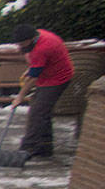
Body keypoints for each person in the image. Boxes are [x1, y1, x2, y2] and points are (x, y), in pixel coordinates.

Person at [8, 24, 74, 159]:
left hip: (57, 79)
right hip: (47, 75)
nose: (20, 46)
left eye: (22, 43)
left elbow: (33, 78)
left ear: (32, 39)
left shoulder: (43, 48)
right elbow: (35, 67)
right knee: (42, 111)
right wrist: (32, 68)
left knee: (37, 112)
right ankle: (44, 147)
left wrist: (20, 96)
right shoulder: (38, 35)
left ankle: (28, 148)